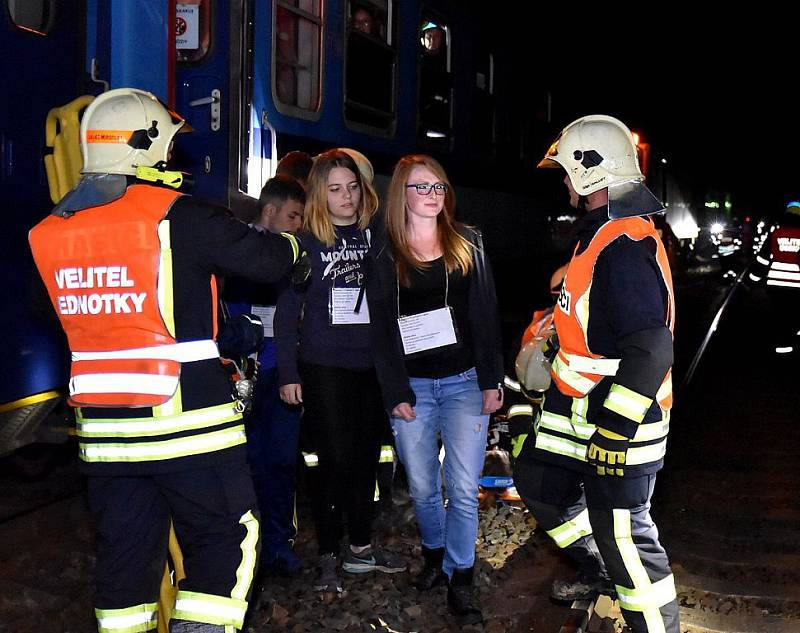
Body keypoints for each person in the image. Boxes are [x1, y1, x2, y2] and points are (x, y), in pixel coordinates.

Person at [28, 88, 305, 633]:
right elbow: (270, 258)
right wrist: (300, 247)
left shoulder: (47, 234)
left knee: (126, 564)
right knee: (228, 541)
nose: (172, 159)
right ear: (143, 146)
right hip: (188, 426)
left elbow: (70, 316)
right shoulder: (179, 216)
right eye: (168, 148)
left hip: (104, 438)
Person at [514, 115, 680, 633]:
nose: (563, 181)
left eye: (566, 171)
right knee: (541, 485)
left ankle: (655, 625)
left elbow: (653, 349)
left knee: (626, 537)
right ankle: (600, 568)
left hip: (614, 420)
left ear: (592, 173)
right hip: (577, 408)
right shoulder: (600, 235)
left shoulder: (624, 247)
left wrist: (615, 429)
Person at [366, 154, 504, 625]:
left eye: (439, 187)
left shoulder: (468, 242)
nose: (431, 196)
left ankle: (461, 578)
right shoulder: (384, 252)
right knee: (423, 485)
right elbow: (381, 330)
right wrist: (394, 391)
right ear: (401, 193)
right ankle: (435, 556)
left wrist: (491, 380)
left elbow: (485, 314)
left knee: (463, 487)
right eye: (421, 187)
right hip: (414, 387)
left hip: (465, 382)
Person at [274, 148, 406, 595]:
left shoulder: (378, 239)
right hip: (323, 366)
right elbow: (286, 311)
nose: (345, 197)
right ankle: (329, 551)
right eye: (335, 189)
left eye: (351, 187)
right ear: (319, 194)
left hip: (371, 367)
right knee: (331, 461)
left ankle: (361, 548)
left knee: (367, 460)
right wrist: (288, 373)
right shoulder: (305, 242)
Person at [222, 174, 306, 579]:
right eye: (292, 215)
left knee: (282, 463)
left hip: (283, 374)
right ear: (269, 211)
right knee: (247, 464)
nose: (297, 225)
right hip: (245, 376)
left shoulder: (295, 255)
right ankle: (246, 552)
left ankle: (278, 546)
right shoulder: (233, 251)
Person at [749, 201, 800, 353]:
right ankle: (790, 343)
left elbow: (764, 259)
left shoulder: (776, 233)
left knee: (779, 313)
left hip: (775, 285)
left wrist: (753, 278)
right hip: (797, 285)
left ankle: (781, 345)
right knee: (794, 312)